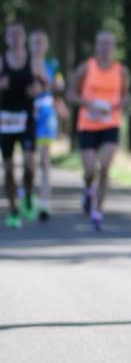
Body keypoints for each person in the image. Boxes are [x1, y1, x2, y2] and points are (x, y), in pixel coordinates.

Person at [67, 31, 131, 231]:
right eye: (101, 44)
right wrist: (88, 104)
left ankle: (97, 212)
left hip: (111, 123)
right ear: (96, 46)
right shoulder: (86, 68)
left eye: (109, 44)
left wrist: (121, 103)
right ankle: (88, 189)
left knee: (104, 168)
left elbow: (127, 97)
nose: (105, 48)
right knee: (89, 170)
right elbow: (70, 94)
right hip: (88, 124)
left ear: (114, 47)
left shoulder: (121, 71)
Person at [1, 21, 49, 228]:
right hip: (5, 120)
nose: (15, 38)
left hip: (27, 118)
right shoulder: (1, 61)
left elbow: (46, 83)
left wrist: (37, 88)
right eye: (11, 35)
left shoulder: (34, 61)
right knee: (9, 169)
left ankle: (28, 194)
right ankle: (13, 209)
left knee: (30, 165)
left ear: (24, 37)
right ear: (6, 39)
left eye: (18, 34)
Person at [29, 30, 69, 221]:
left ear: (46, 46)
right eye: (34, 43)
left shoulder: (52, 65)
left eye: (41, 43)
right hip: (28, 115)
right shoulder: (24, 64)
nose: (37, 47)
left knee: (44, 160)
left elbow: (58, 86)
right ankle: (27, 195)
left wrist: (44, 80)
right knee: (29, 161)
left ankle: (44, 202)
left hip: (46, 115)